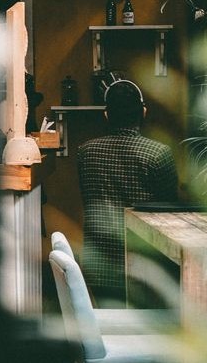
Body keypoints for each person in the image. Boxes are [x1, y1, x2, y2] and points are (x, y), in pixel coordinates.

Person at [74, 79, 177, 300]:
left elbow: (87, 198)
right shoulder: (158, 153)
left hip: (98, 265)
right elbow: (171, 211)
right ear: (143, 112)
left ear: (106, 115)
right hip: (145, 268)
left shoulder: (86, 152)